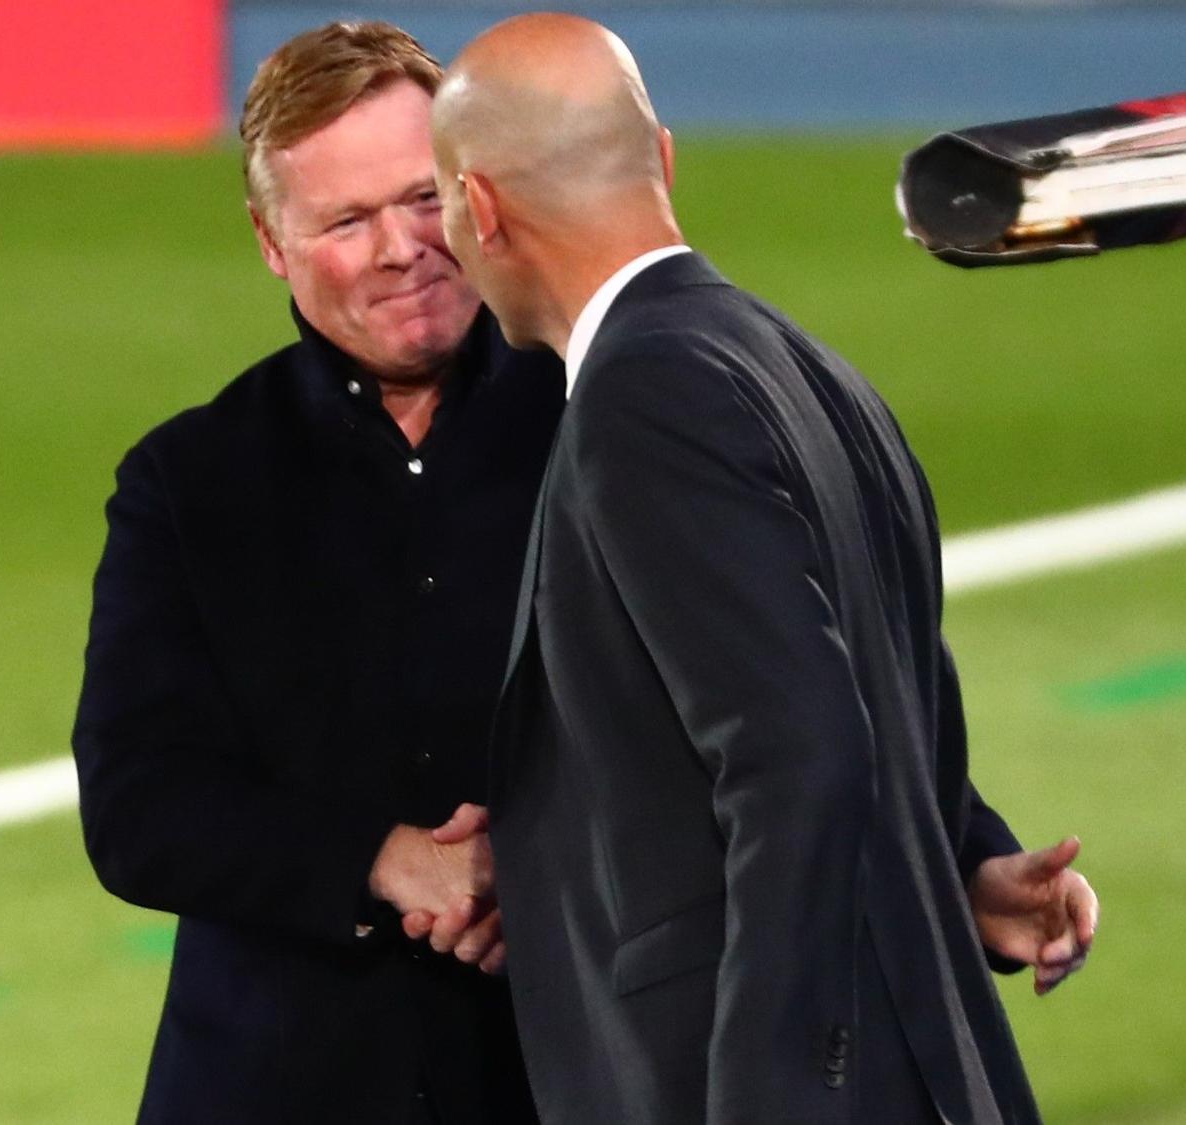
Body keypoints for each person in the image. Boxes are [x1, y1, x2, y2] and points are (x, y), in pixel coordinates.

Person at [427, 15, 1098, 1123]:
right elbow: (889, 710)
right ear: (665, 161)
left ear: (482, 209)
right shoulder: (803, 367)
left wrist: (773, 1088)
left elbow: (799, 750)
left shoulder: (642, 399)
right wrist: (955, 867)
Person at [71, 21, 561, 1124]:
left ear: (475, 191)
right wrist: (384, 861)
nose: (398, 248)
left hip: (565, 1073)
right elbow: (139, 802)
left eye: (420, 197)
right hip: (276, 1088)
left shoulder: (610, 424)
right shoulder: (189, 482)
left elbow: (764, 696)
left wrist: (963, 861)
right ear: (271, 241)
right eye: (345, 219)